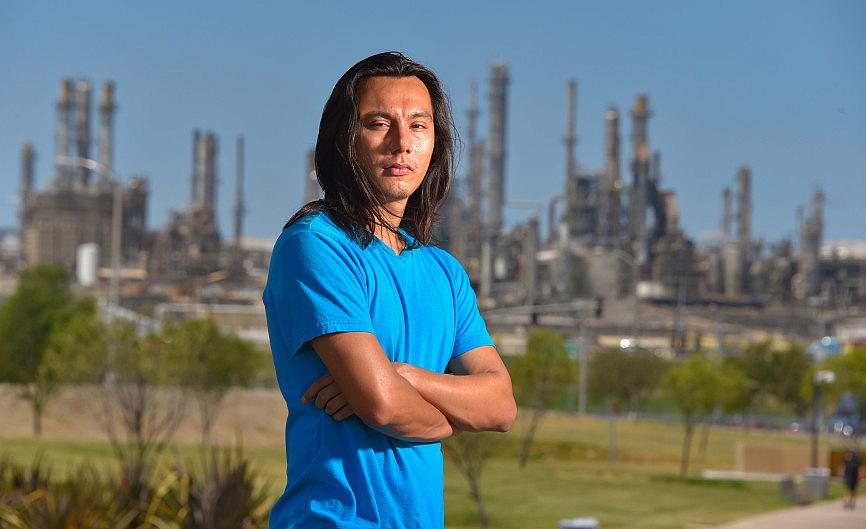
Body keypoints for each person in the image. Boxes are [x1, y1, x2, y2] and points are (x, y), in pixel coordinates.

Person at [262, 51, 517, 529]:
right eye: (379, 123)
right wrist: (462, 413)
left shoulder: (443, 271)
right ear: (345, 140)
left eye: (419, 126)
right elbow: (382, 405)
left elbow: (501, 405)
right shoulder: (315, 246)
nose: (402, 143)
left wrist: (405, 375)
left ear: (436, 144)